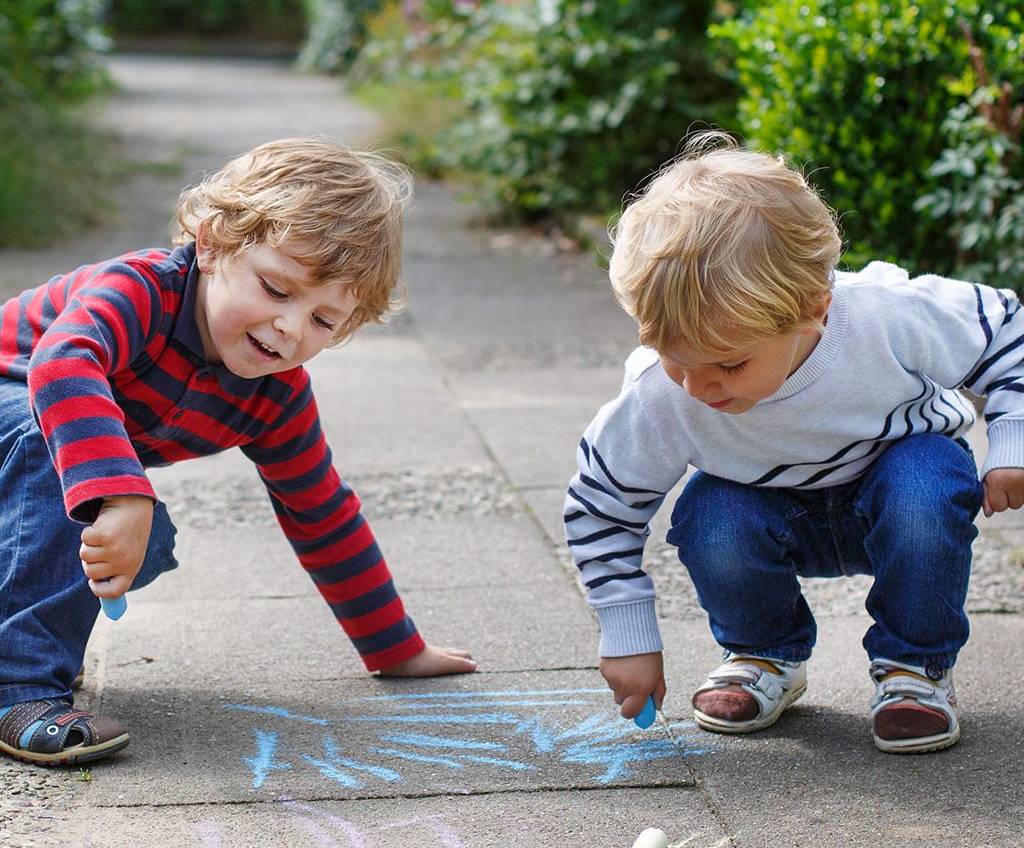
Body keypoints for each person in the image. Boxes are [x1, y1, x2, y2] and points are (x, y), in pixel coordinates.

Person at [0, 137, 475, 767]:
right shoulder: (141, 292)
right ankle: (19, 684)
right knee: (78, 473)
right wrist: (121, 490)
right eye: (278, 290)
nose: (291, 327)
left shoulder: (273, 395)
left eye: (323, 321)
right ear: (214, 245)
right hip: (16, 410)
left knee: (147, 540)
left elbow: (321, 512)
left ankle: (23, 640)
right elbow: (63, 365)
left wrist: (394, 648)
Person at [564, 131, 1024, 754]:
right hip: (766, 502)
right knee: (710, 514)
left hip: (895, 481)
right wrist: (629, 634)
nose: (698, 386)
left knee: (926, 482)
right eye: (674, 358)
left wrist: (1011, 436)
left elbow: (1007, 330)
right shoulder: (660, 391)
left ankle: (914, 668)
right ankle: (764, 651)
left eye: (728, 364)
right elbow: (601, 506)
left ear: (813, 309)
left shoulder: (884, 316)